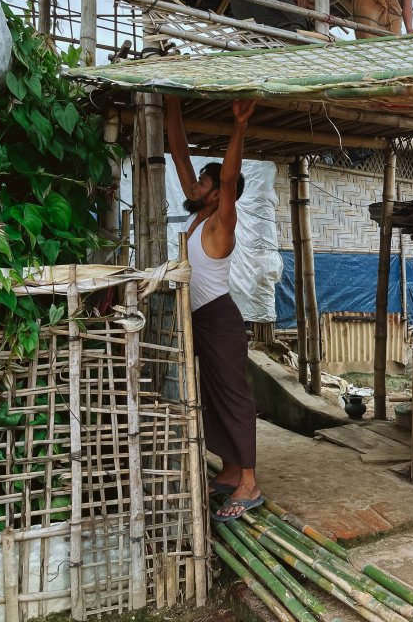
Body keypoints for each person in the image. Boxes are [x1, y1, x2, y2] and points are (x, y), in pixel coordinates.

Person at [166, 95, 264, 522]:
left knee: (234, 397)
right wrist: (171, 105)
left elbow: (227, 180)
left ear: (218, 191)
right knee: (212, 396)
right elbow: (180, 155)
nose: (195, 187)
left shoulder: (221, 221)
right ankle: (228, 471)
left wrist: (239, 126)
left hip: (220, 320)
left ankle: (250, 483)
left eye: (203, 183)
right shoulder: (194, 217)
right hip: (200, 319)